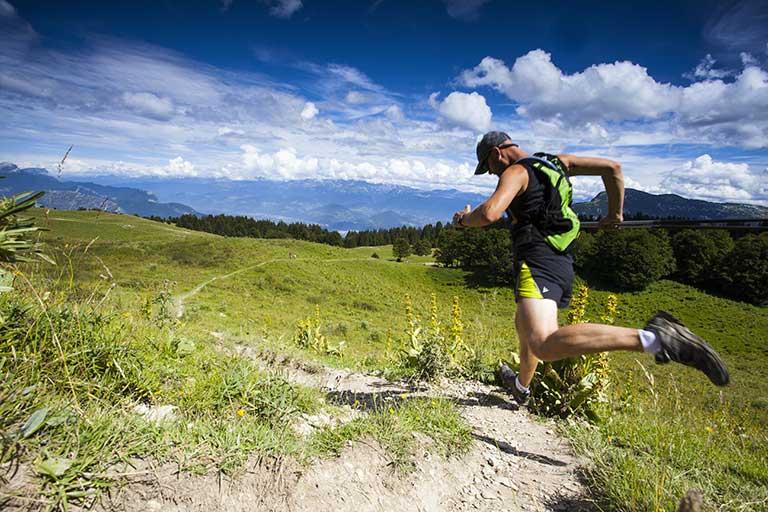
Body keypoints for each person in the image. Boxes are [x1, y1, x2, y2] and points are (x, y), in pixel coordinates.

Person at [453, 131, 729, 405]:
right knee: (524, 325)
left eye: (488, 167)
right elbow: (613, 168)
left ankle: (655, 339)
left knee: (542, 343)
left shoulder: (515, 172)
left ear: (496, 153)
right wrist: (615, 214)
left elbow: (490, 212)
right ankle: (521, 387)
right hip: (561, 260)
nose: (491, 174)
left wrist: (464, 220)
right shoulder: (556, 163)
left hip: (536, 259)